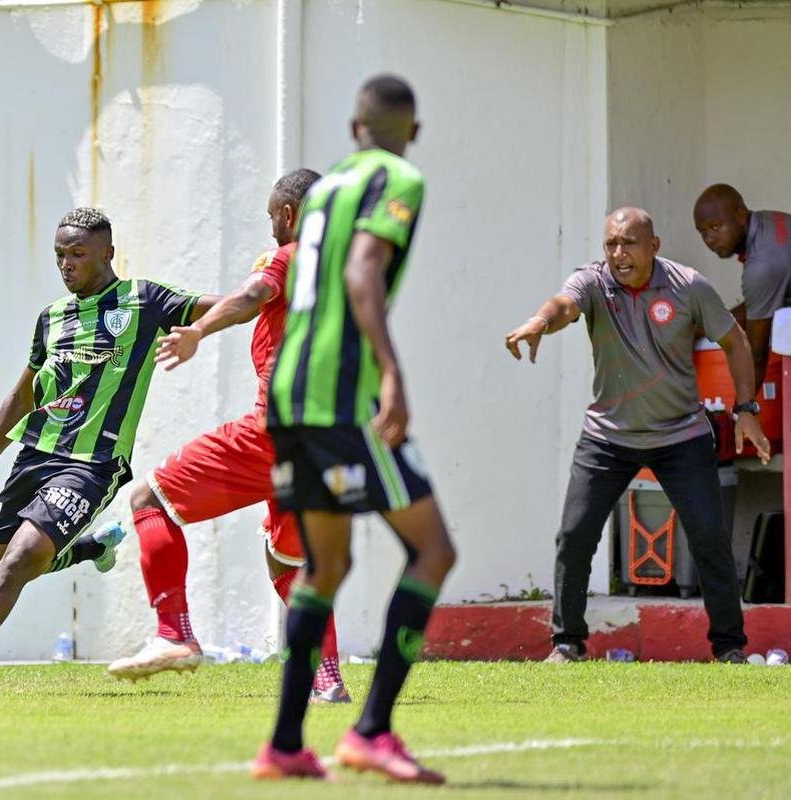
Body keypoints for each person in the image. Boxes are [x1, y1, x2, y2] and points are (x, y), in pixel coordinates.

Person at [0, 207, 218, 696]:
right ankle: (91, 549)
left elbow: (219, 306)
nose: (67, 264)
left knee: (18, 564)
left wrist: (272, 290)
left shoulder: (143, 301)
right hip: (34, 455)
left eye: (78, 254)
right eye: (60, 255)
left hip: (91, 465)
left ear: (108, 253)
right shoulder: (52, 319)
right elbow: (23, 397)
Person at [252, 75, 456, 784]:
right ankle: (370, 731)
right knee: (432, 551)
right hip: (343, 396)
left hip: (286, 394)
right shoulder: (398, 176)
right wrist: (391, 372)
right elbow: (364, 272)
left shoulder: (327, 187)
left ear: (351, 127)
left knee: (325, 566)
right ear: (413, 131)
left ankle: (282, 745)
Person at [106, 169, 351, 703]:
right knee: (289, 564)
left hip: (276, 428)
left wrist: (197, 330)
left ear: (288, 215)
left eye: (270, 217)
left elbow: (253, 295)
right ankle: (328, 679)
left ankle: (174, 634)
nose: (270, 228)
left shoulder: (289, 257)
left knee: (150, 498)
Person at [505, 207, 769, 666]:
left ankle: (730, 647)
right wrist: (538, 322)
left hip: (681, 436)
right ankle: (567, 643)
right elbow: (563, 306)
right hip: (608, 438)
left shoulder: (689, 286)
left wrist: (746, 409)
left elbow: (736, 342)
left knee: (709, 538)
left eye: (629, 243)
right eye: (611, 244)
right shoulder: (592, 282)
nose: (618, 254)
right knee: (575, 536)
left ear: (654, 246)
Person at [693, 185, 791, 392]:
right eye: (702, 232)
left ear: (740, 215)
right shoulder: (768, 222)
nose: (709, 239)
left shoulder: (761, 264)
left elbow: (756, 354)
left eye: (716, 227)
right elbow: (760, 303)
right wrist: (706, 326)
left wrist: (741, 413)